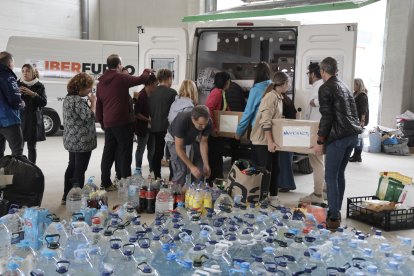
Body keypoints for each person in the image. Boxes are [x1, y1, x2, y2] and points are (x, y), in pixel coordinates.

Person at [313, 57, 362, 231]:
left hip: (339, 137)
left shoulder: (325, 88)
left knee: (330, 176)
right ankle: (336, 209)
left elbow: (327, 117)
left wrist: (320, 141)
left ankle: (333, 216)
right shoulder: (344, 86)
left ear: (322, 71)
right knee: (339, 174)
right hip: (352, 136)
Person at [96, 54, 150, 191]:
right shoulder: (120, 77)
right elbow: (142, 79)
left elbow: (99, 105)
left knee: (108, 152)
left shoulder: (101, 82)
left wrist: (102, 122)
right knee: (125, 152)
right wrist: (147, 70)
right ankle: (125, 183)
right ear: (119, 65)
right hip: (122, 122)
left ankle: (105, 182)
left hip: (109, 123)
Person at [250, 71, 289, 207]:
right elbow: (265, 121)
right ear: (283, 84)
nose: (288, 86)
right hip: (262, 141)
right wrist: (270, 142)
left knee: (275, 169)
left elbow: (274, 119)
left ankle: (273, 197)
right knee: (264, 171)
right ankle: (261, 198)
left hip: (271, 139)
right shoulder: (270, 97)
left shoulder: (279, 97)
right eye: (287, 83)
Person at [62, 73, 97, 205]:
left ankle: (66, 195)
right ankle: (76, 199)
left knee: (71, 167)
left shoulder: (68, 98)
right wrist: (93, 102)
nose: (90, 91)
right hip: (82, 142)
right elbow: (89, 116)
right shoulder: (77, 100)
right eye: (89, 88)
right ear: (81, 87)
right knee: (79, 170)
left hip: (71, 140)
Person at [299, 62, 326, 204]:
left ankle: (317, 194)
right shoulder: (321, 85)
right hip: (320, 128)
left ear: (313, 74)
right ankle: (324, 191)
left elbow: (321, 101)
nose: (308, 76)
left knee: (317, 162)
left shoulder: (320, 86)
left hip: (317, 129)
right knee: (321, 162)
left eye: (308, 73)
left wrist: (315, 102)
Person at [165, 105, 212, 185]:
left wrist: (206, 164)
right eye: (200, 125)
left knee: (200, 169)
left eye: (205, 124)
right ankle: (176, 193)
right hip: (174, 139)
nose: (204, 127)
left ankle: (195, 193)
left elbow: (203, 142)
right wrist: (191, 167)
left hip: (191, 138)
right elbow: (179, 148)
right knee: (181, 170)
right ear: (193, 119)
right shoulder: (182, 120)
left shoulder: (208, 122)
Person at [148, 69, 177, 179]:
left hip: (155, 127)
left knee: (158, 151)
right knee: (172, 153)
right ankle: (172, 177)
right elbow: (174, 112)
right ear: (169, 78)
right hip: (169, 128)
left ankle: (157, 176)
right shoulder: (172, 93)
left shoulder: (152, 92)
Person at [17, 64, 47, 164]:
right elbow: (10, 101)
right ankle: (19, 169)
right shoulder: (17, 84)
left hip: (33, 120)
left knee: (31, 147)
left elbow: (43, 102)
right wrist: (17, 94)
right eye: (23, 71)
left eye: (28, 71)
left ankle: (32, 170)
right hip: (20, 119)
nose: (25, 73)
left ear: (33, 73)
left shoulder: (39, 85)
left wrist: (33, 94)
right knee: (18, 147)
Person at [205, 72, 231, 183]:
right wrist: (213, 128)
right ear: (226, 82)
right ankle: (213, 180)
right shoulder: (216, 93)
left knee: (218, 155)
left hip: (219, 130)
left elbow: (225, 109)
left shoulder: (222, 92)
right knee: (215, 156)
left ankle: (217, 179)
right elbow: (208, 109)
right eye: (229, 81)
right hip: (213, 131)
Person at [235, 61, 272, 139]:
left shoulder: (256, 90)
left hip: (258, 128)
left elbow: (248, 112)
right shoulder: (272, 86)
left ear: (257, 74)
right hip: (271, 127)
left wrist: (239, 132)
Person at [0, 51, 24, 158]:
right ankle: (16, 174)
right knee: (17, 152)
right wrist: (22, 103)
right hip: (8, 120)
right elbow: (15, 100)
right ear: (9, 63)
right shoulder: (8, 76)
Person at [133, 74, 158, 175]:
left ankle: (152, 170)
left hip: (152, 128)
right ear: (151, 84)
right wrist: (148, 120)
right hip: (143, 128)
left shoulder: (152, 95)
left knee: (152, 150)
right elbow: (136, 113)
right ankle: (138, 170)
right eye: (156, 85)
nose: (156, 87)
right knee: (141, 149)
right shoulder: (141, 95)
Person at [278, 88, 297, 193]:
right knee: (286, 160)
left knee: (284, 160)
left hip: (284, 133)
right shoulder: (288, 99)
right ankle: (285, 183)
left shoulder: (281, 101)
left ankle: (286, 184)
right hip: (290, 132)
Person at [349, 78, 369, 162]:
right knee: (357, 137)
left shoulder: (362, 95)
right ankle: (356, 155)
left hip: (361, 119)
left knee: (359, 137)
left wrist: (362, 121)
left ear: (358, 85)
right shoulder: (355, 94)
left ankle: (357, 156)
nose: (352, 86)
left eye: (354, 84)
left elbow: (363, 109)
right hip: (356, 118)